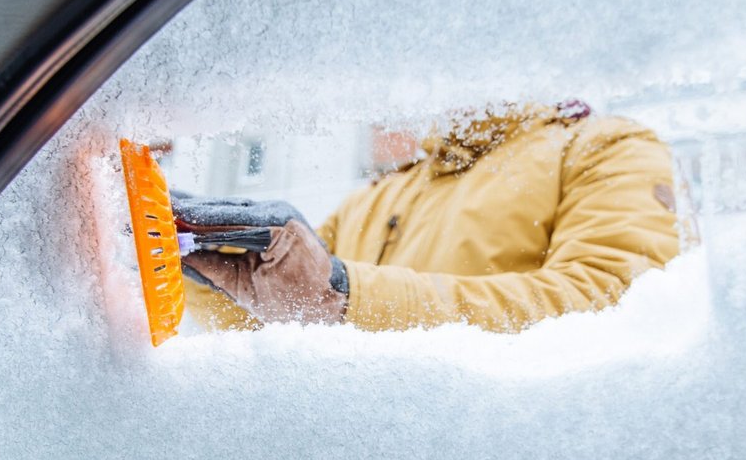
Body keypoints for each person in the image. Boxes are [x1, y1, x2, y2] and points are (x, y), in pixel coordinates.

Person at [176, 100, 680, 333]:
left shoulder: (602, 146)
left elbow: (614, 310)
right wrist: (191, 269)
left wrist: (350, 294)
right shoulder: (381, 194)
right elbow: (278, 321)